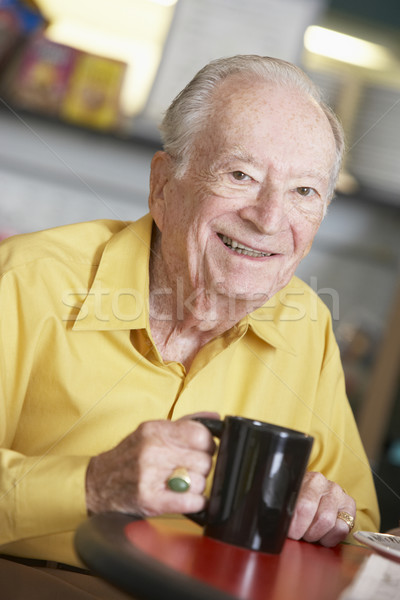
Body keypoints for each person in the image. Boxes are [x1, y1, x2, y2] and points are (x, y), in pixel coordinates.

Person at [0, 55, 379, 597]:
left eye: (304, 192)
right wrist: (89, 486)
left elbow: (357, 522)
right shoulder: (27, 282)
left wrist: (328, 515)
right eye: (240, 175)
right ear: (163, 186)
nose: (270, 219)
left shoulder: (307, 327)